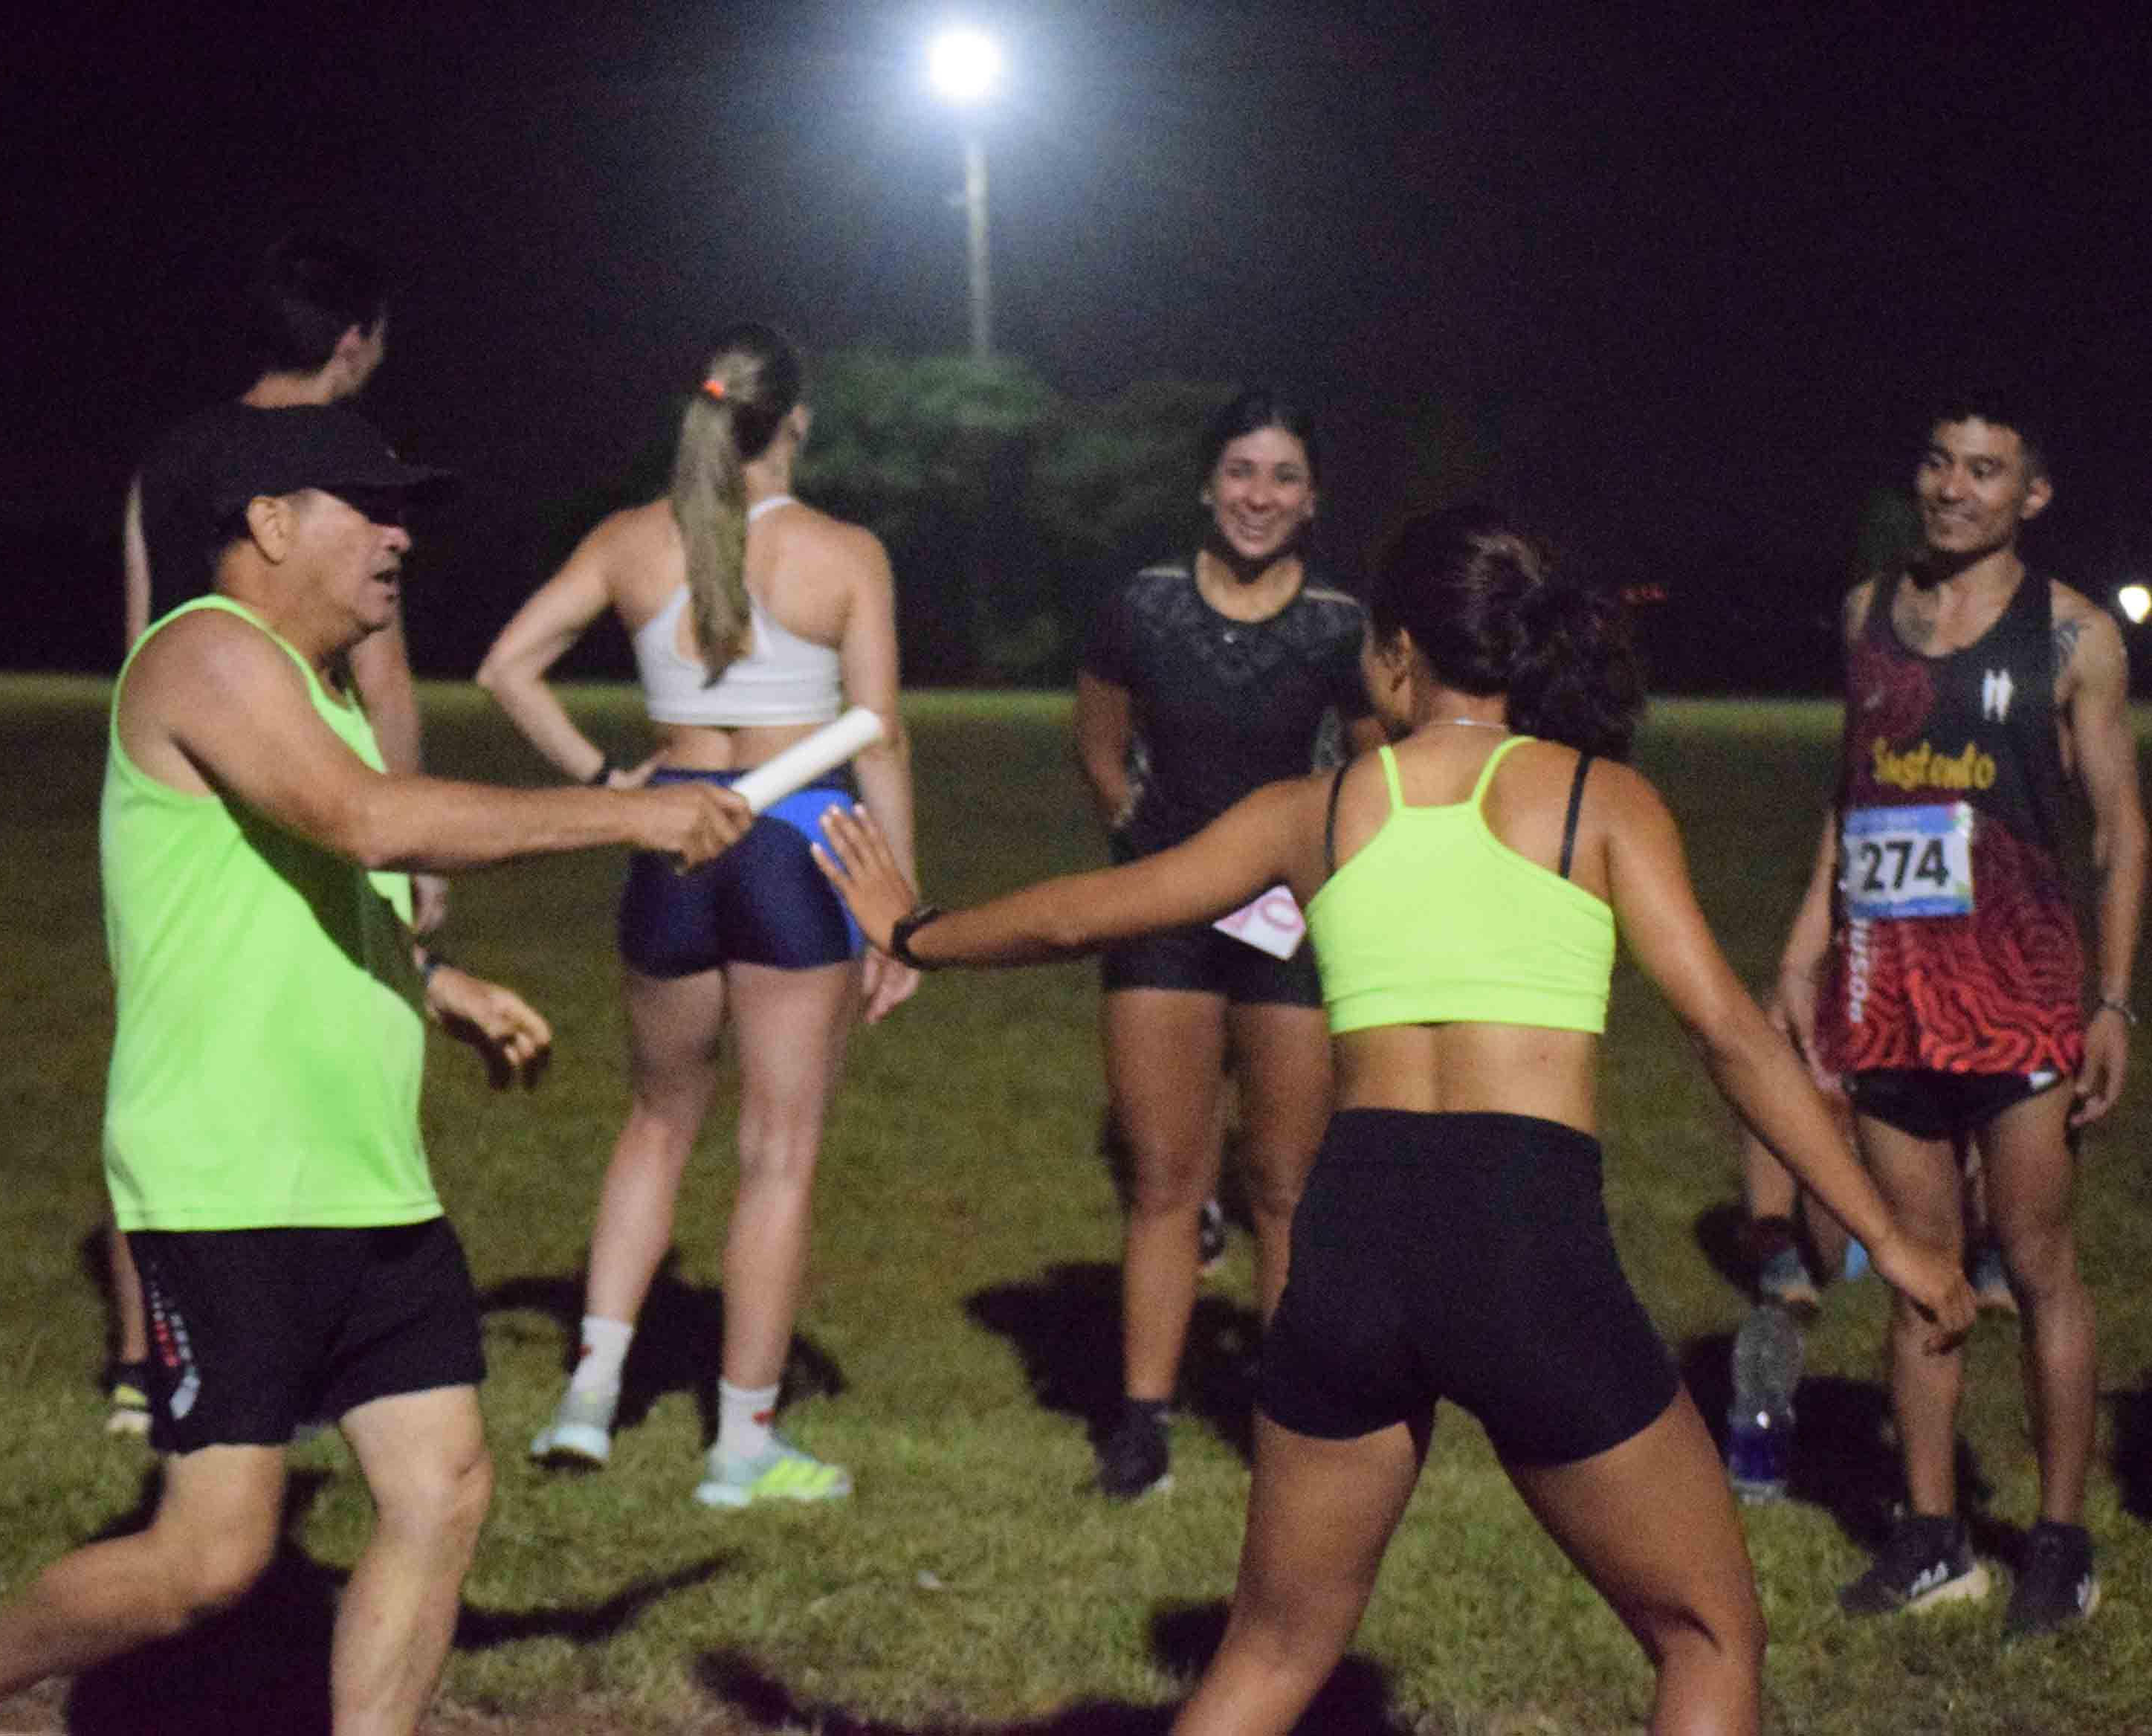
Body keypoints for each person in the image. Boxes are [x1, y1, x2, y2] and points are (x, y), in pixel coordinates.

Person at [812, 508, 1975, 1734]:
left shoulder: (1314, 812)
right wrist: (1891, 1241)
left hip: (1352, 1238)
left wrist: (914, 933)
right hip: (1521, 1237)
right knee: (1707, 1633)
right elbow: (1732, 1036)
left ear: (1400, 653)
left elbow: (1081, 914)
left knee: (1269, 1652)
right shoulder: (1599, 802)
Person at [0, 405, 752, 1736]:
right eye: (369, 509)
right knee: (212, 1559)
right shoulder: (205, 653)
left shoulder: (315, 694)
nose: (399, 538)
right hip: (233, 1176)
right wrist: (634, 811)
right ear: (271, 522)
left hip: (365, 1174)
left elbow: (291, 889)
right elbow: (364, 821)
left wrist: (435, 986)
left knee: (442, 1489)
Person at [475, 321, 917, 1507]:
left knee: (656, 1119)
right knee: (778, 1151)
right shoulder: (844, 553)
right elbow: (879, 734)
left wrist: (606, 780)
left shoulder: (630, 540)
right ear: (798, 418)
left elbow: (507, 666)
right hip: (797, 840)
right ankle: (741, 1444)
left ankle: (588, 1395)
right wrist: (900, 906)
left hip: (670, 834)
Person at [1773, 393, 2143, 1636]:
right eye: (1939, 462)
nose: (1952, 487)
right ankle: (1933, 1540)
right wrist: (1807, 943)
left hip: (2019, 996)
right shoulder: (1865, 614)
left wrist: (2113, 999)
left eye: (1985, 471)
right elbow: (1851, 793)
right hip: (1890, 992)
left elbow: (2121, 828)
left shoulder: (2075, 635)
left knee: (2036, 1265)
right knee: (1917, 1270)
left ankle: (2059, 1543)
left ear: (2032, 495)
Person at [97, 233, 449, 1439]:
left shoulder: (169, 458)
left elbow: (145, 632)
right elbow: (378, 676)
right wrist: (408, 842)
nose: (393, 533)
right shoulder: (334, 477)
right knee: (281, 1064)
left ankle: (145, 1363)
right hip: (295, 771)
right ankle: (248, 1363)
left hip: (188, 777)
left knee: (173, 1058)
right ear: (353, 342)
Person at [1069, 389, 1374, 1497]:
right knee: (1162, 1177)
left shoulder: (1340, 626)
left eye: (1284, 476)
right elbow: (1099, 741)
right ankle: (1142, 1423)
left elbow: (1375, 772)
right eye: (1241, 471)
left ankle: (1287, 1426)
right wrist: (1143, 841)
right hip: (1162, 921)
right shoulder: (1142, 607)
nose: (1259, 495)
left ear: (1312, 498)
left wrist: (1318, 880)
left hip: (1290, 929)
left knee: (1284, 1186)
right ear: (1207, 483)